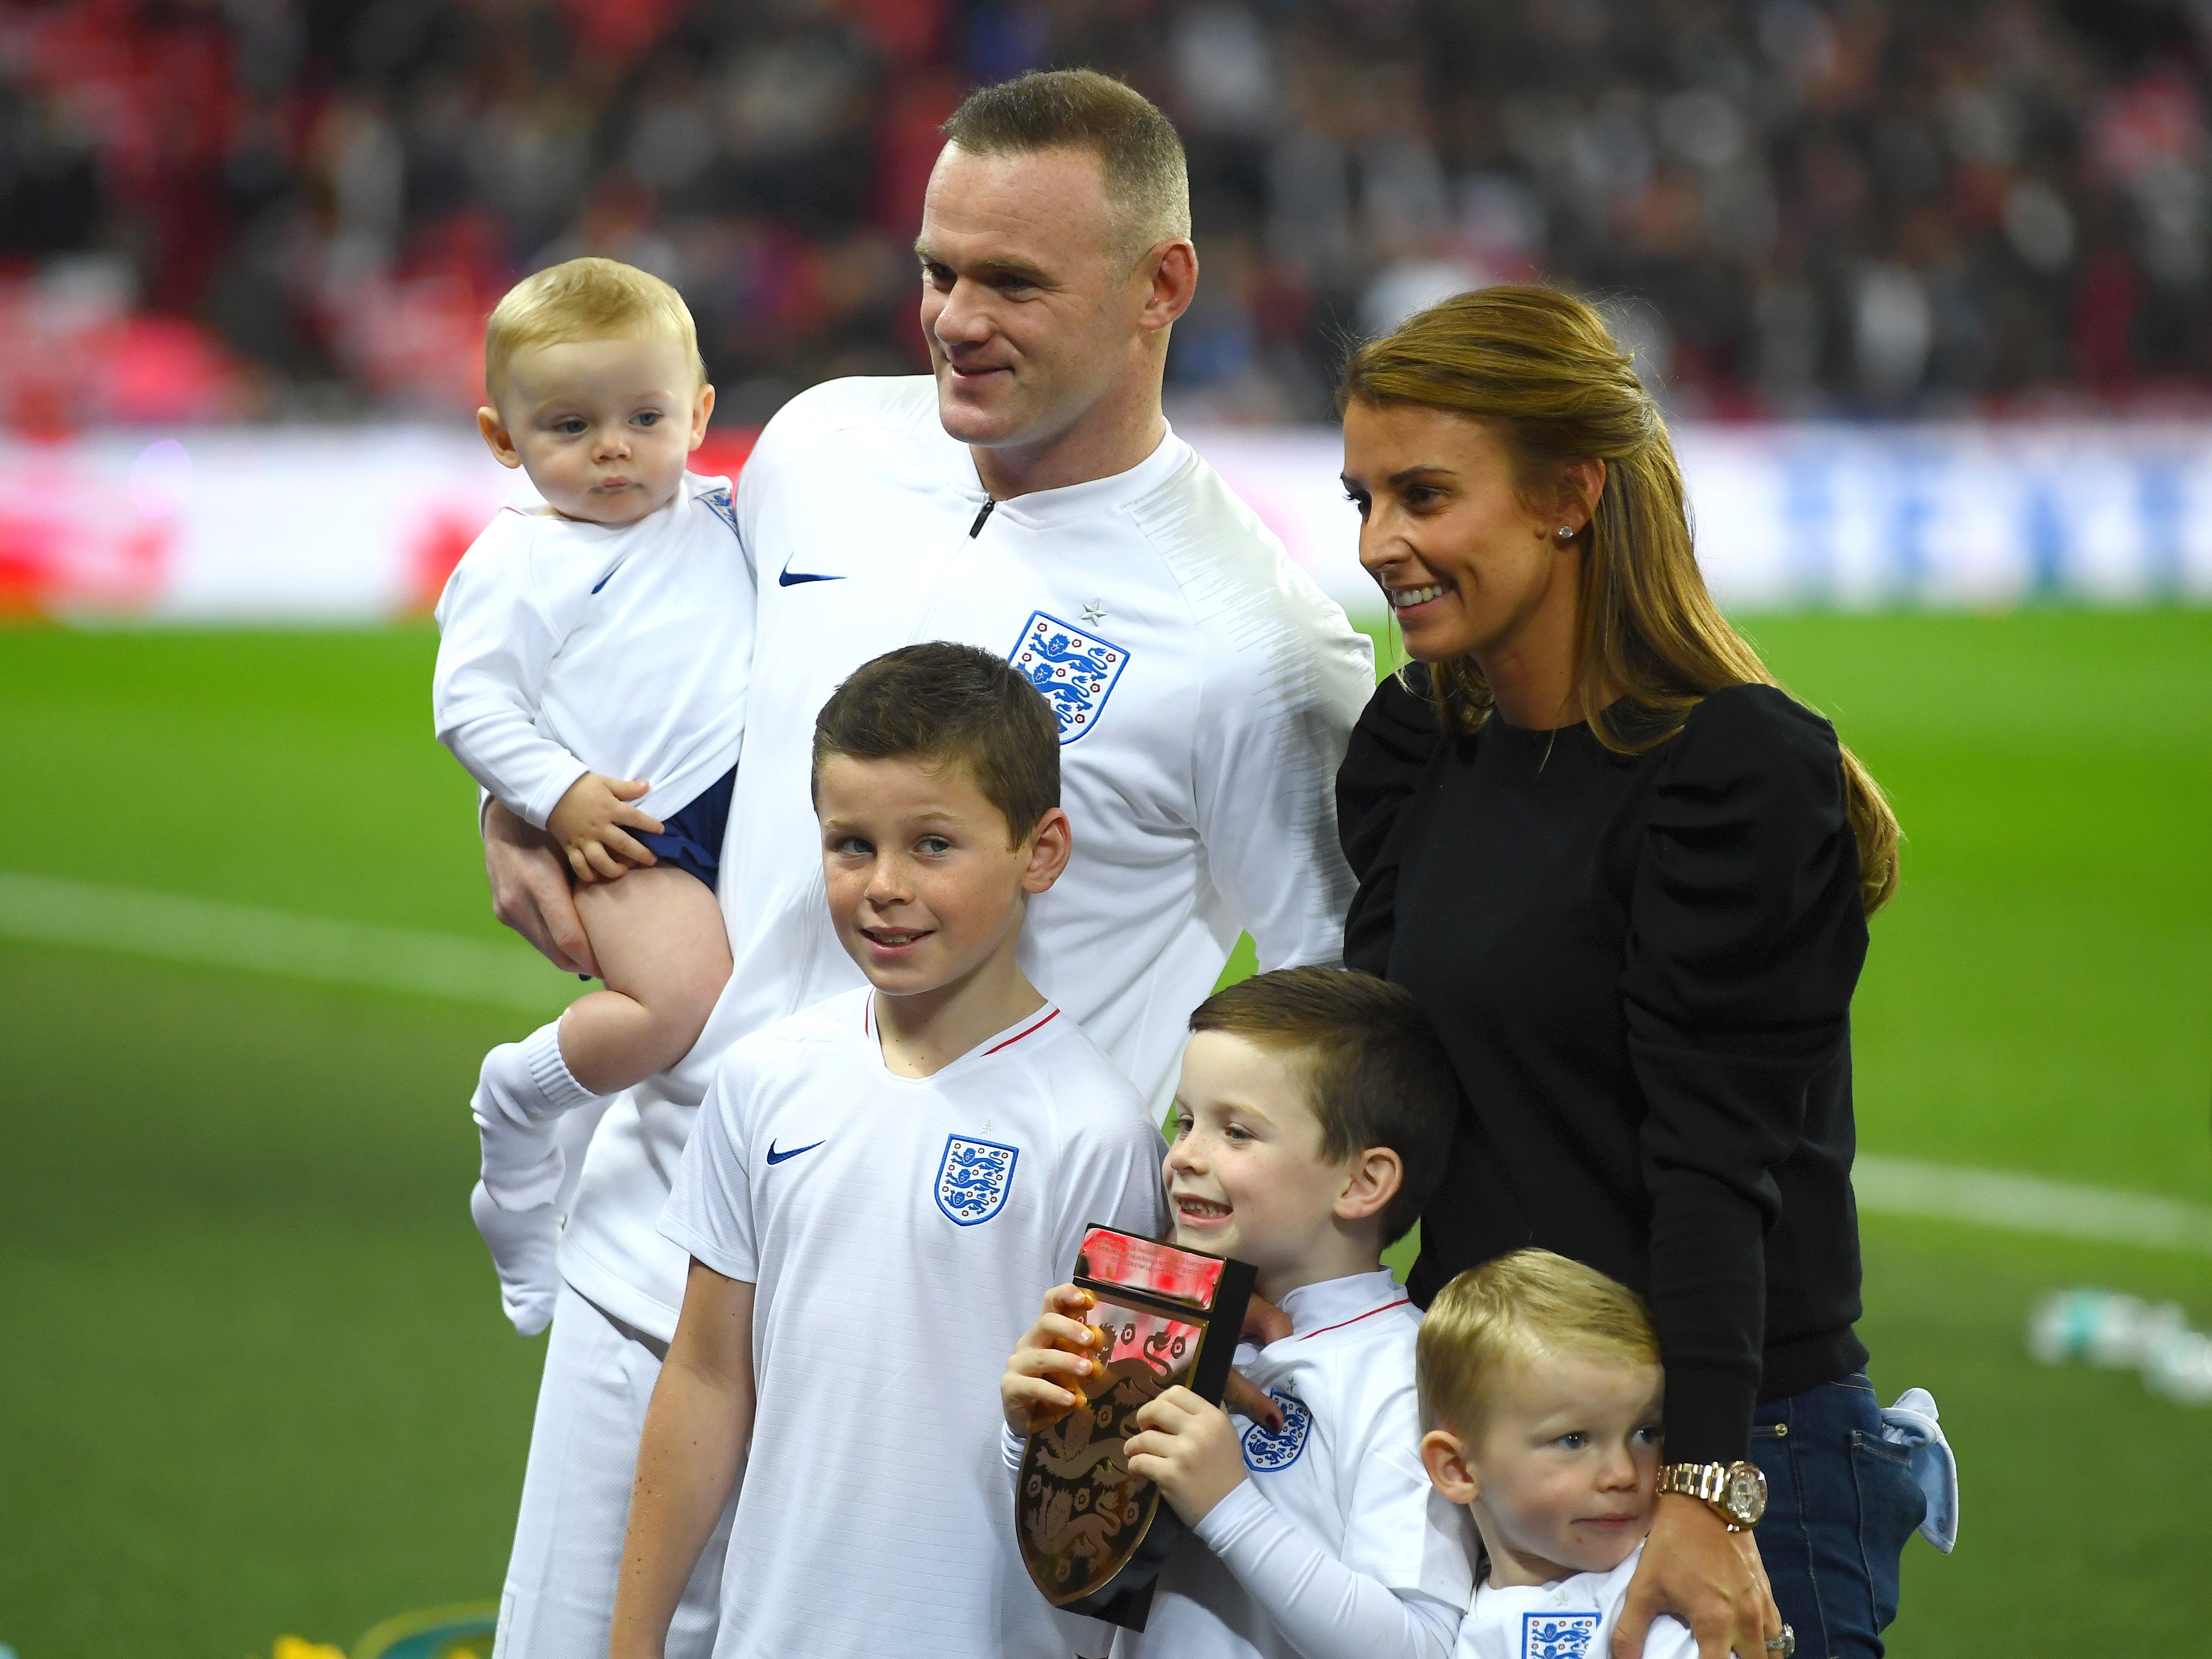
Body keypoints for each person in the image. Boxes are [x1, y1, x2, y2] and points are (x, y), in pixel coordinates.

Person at [480, 69, 1374, 1659]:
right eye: (934, 269)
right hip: (650, 1279)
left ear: (1160, 285)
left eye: (1011, 281)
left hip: (953, 1384)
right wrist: (519, 798)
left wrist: (1202, 1348)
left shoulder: (1261, 651)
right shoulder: (821, 447)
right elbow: (640, 643)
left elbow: (1335, 1033)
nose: (952, 317)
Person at [1333, 285, 1921, 1659]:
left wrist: (1707, 1488)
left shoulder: (1733, 770)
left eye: (1423, 494)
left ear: (1568, 494)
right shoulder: (1418, 744)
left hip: (1720, 1447)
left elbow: (1715, 1164)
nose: (1378, 544)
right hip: (1491, 1458)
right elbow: (1381, 1110)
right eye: (1362, 496)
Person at [610, 643, 1168, 1659]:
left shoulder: (1094, 1133)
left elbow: (1107, 1475)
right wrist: (631, 1644)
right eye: (850, 845)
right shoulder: (763, 1079)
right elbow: (703, 1376)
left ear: (1039, 851)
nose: (884, 887)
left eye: (933, 846)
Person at [431, 257, 750, 1337]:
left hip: (746, 817)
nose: (613, 447)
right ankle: (522, 1107)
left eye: (644, 415)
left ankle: (580, 1139)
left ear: (699, 413)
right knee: (676, 1007)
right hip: (628, 832)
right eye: (568, 425)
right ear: (501, 439)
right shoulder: (516, 560)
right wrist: (554, 800)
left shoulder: (731, 517)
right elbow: (469, 708)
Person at [1001, 966, 1475, 1659]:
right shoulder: (1158, 1330)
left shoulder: (1406, 1380)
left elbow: (1422, 1646)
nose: (1184, 1156)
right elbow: (1090, 1567)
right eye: (1185, 1121)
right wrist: (1035, 1436)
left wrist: (1228, 1507)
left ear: (1362, 1181)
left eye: (1238, 1132)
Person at [1415, 1249, 1696, 1659]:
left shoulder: (1662, 1596)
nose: (1623, 1474)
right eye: (1574, 1440)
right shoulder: (1442, 1623)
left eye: (1645, 1433)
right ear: (1457, 1468)